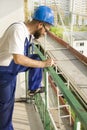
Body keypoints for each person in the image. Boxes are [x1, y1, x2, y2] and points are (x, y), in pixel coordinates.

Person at [0, 5, 54, 130]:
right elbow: (19, 58)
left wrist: (43, 62)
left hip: (11, 67)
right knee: (5, 108)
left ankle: (33, 88)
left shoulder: (27, 34)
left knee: (36, 58)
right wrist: (44, 64)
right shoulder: (18, 30)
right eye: (46, 30)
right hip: (3, 71)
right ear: (40, 24)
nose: (45, 34)